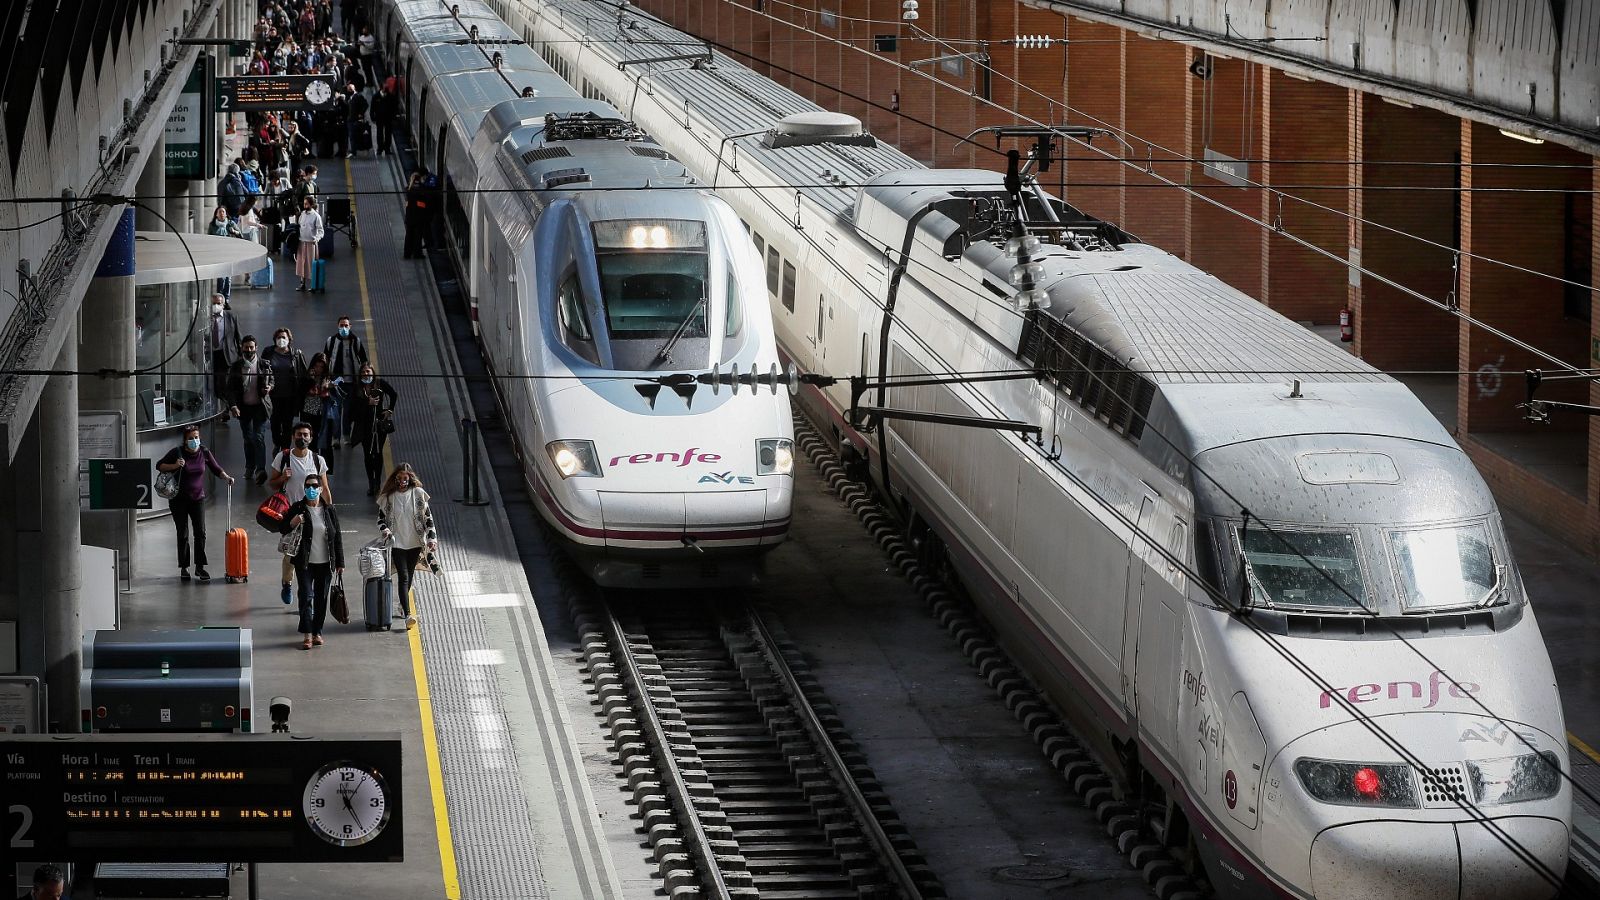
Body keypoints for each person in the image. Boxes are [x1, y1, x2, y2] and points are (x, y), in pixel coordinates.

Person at [156, 424, 235, 582]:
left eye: (196, 437)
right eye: (190, 438)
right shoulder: (177, 453)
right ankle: (184, 567)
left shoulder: (204, 452)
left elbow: (216, 468)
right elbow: (159, 465)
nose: (194, 441)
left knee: (200, 533)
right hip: (179, 500)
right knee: (183, 533)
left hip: (198, 498)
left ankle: (200, 567)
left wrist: (226, 477)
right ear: (185, 440)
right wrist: (175, 466)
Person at [270, 422, 333, 605]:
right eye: (299, 434)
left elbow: (325, 488)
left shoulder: (317, 460)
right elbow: (271, 483)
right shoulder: (283, 457)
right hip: (292, 514)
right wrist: (283, 478)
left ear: (311, 438)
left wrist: (329, 512)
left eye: (306, 435)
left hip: (314, 513)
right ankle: (287, 582)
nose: (302, 438)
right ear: (293, 436)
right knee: (290, 554)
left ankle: (306, 596)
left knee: (310, 555)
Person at [281, 471, 343, 649]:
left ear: (321, 489)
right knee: (306, 596)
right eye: (307, 486)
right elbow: (282, 527)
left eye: (315, 486)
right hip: (305, 563)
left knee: (321, 599)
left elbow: (337, 537)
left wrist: (340, 563)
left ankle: (317, 632)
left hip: (325, 563)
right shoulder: (298, 508)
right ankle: (307, 634)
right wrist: (293, 521)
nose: (311, 489)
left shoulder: (329, 510)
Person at [376, 463, 438, 630]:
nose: (403, 481)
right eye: (399, 478)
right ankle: (408, 614)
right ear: (395, 478)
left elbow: (428, 519)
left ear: (410, 478)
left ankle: (402, 605)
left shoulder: (418, 494)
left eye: (406, 478)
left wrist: (432, 538)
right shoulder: (388, 497)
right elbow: (380, 520)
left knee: (409, 576)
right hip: (397, 543)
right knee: (403, 577)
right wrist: (386, 531)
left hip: (415, 543)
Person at [226, 334, 275, 484]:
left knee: (258, 437)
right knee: (248, 438)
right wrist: (233, 406)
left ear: (256, 348)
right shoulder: (236, 366)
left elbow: (272, 379)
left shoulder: (264, 364)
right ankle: (250, 466)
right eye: (246, 347)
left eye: (251, 347)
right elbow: (230, 389)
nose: (249, 350)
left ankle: (261, 469)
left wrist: (269, 387)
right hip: (244, 408)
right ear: (242, 348)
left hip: (260, 407)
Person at [349, 362, 397, 494]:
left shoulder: (380, 383)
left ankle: (377, 482)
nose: (366, 374)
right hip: (364, 425)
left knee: (377, 452)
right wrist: (367, 402)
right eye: (363, 372)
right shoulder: (357, 388)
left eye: (368, 372)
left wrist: (390, 410)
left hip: (379, 425)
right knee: (368, 454)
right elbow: (352, 408)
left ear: (373, 373)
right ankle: (371, 481)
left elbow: (393, 394)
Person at [323, 315, 368, 448]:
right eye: (341, 325)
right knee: (336, 411)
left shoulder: (356, 341)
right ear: (338, 326)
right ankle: (335, 438)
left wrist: (363, 379)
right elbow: (325, 359)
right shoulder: (331, 341)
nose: (344, 328)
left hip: (351, 382)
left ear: (350, 326)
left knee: (347, 410)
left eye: (346, 325)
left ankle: (346, 435)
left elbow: (364, 360)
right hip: (335, 382)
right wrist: (327, 379)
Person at [264, 327, 308, 452]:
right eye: (279, 337)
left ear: (289, 340)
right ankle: (277, 443)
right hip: (273, 395)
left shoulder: (295, 355)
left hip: (290, 396)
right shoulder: (268, 352)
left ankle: (285, 449)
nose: (281, 340)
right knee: (275, 423)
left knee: (287, 424)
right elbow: (262, 370)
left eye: (284, 337)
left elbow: (302, 374)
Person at [207, 294, 241, 410]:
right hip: (211, 354)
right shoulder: (205, 318)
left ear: (223, 304)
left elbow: (238, 336)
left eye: (219, 303)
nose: (216, 306)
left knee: (223, 382)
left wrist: (241, 354)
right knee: (213, 382)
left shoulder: (231, 316)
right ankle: (218, 406)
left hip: (226, 354)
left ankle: (225, 408)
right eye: (214, 303)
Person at [300, 352, 335, 452]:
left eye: (321, 367)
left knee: (326, 444)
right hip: (309, 412)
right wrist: (311, 380)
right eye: (316, 366)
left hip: (324, 414)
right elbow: (301, 391)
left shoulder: (328, 379)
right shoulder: (307, 377)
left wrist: (329, 388)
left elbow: (335, 395)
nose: (318, 369)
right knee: (311, 442)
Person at [206, 206, 241, 298]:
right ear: (216, 214)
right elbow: (208, 239)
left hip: (229, 252)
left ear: (226, 214)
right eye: (220, 212)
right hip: (218, 253)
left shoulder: (230, 224)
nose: (222, 213)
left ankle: (226, 299)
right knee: (221, 277)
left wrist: (234, 232)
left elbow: (240, 234)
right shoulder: (212, 225)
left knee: (228, 278)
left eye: (223, 212)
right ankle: (220, 298)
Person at [295, 195, 324, 292]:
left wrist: (316, 239)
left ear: (311, 205)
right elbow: (299, 225)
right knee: (301, 263)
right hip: (302, 242)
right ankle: (302, 283)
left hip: (311, 244)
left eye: (306, 204)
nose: (305, 205)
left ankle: (313, 284)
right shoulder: (302, 214)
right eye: (304, 203)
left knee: (311, 264)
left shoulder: (316, 216)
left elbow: (321, 231)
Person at [403, 170, 430, 258]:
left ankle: (407, 254)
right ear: (420, 179)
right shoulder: (423, 188)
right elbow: (426, 201)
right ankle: (417, 254)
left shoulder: (408, 189)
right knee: (417, 236)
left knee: (409, 236)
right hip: (419, 216)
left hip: (409, 216)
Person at [369, 83, 398, 156]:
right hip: (379, 118)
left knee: (388, 134)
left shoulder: (391, 96)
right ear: (381, 88)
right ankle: (380, 149)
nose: (386, 90)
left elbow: (394, 107)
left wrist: (393, 117)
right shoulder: (375, 97)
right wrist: (372, 117)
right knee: (379, 134)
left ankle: (387, 149)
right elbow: (372, 108)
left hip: (388, 118)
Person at [344, 84, 369, 158]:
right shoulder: (348, 97)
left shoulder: (358, 96)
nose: (349, 91)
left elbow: (366, 105)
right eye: (348, 89)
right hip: (350, 119)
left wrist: (361, 113)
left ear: (354, 89)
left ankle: (358, 150)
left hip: (356, 120)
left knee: (357, 135)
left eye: (351, 89)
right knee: (351, 136)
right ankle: (353, 151)